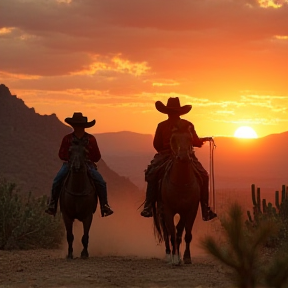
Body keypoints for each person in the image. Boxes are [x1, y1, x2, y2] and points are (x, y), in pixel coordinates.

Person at [140, 97, 217, 221]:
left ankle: (148, 205)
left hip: (164, 155)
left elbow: (156, 145)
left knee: (152, 173)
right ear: (180, 112)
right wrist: (202, 140)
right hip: (186, 155)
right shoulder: (188, 125)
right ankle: (205, 209)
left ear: (167, 112)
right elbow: (195, 142)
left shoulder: (162, 125)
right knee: (204, 175)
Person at [45, 112, 114, 217]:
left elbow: (97, 157)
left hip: (87, 165)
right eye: (77, 125)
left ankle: (104, 205)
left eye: (80, 126)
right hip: (69, 164)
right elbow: (61, 154)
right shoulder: (67, 138)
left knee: (101, 182)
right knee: (57, 180)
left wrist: (86, 157)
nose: (78, 128)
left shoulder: (91, 139)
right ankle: (52, 204)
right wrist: (71, 158)